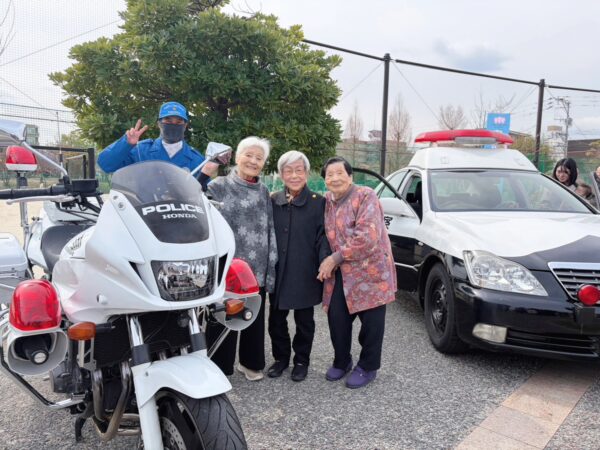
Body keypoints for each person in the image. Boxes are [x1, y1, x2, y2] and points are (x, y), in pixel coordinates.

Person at [317, 156, 397, 389]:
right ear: (325, 180)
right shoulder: (327, 201)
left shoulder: (365, 195)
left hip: (370, 271)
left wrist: (334, 258)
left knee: (371, 324)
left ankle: (368, 367)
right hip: (341, 273)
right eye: (329, 175)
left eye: (339, 173)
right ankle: (342, 361)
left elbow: (367, 236)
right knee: (337, 318)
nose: (335, 178)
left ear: (350, 176)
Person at [204, 136, 277, 381]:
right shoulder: (219, 185)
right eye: (249, 155)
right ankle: (218, 366)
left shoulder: (263, 190)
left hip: (256, 264)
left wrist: (271, 263)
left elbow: (270, 227)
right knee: (222, 314)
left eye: (259, 158)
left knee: (252, 315)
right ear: (237, 157)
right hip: (227, 264)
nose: (253, 161)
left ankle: (250, 363)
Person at [268, 151, 330, 382]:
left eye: (299, 170)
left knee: (305, 322)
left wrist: (323, 263)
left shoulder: (318, 202)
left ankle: (301, 361)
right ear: (281, 174)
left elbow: (323, 237)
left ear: (307, 173)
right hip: (278, 271)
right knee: (276, 320)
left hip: (305, 271)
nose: (294, 176)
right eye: (288, 171)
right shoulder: (273, 200)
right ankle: (281, 358)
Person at [97, 101, 218, 184]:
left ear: (185, 125)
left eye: (178, 122)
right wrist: (126, 143)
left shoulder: (197, 159)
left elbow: (205, 193)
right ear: (159, 124)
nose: (173, 125)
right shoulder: (140, 151)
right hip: (141, 212)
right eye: (168, 120)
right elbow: (105, 165)